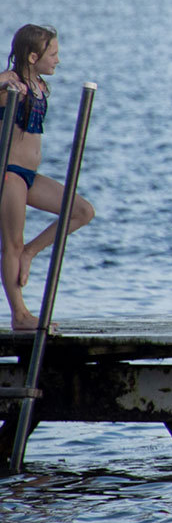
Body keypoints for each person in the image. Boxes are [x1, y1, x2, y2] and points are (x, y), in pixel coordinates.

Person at [2, 25, 95, 331]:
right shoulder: (11, 87)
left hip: (30, 175)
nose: (58, 59)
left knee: (81, 211)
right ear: (32, 56)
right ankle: (20, 314)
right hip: (9, 173)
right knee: (11, 242)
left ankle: (32, 251)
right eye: (52, 54)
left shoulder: (41, 85)